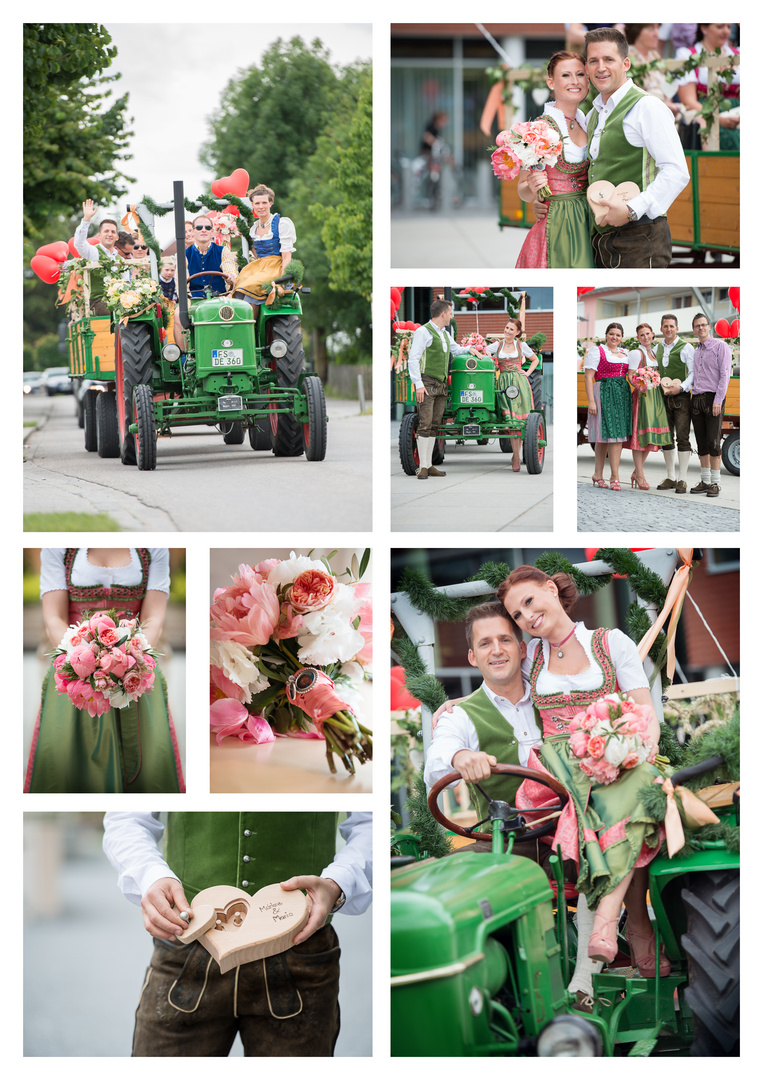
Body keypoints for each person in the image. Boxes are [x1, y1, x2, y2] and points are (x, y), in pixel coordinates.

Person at [426, 602, 598, 1009]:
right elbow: (438, 756)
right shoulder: (460, 715)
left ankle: (587, 982)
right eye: (485, 643)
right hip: (507, 839)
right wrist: (458, 758)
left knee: (601, 852)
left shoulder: (552, 691)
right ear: (473, 656)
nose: (496, 649)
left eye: (505, 639)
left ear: (522, 648)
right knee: (453, 878)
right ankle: (487, 993)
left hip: (572, 828)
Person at [499, 566, 668, 979]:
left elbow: (647, 719)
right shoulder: (532, 657)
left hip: (615, 753)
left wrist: (619, 747)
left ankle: (610, 919)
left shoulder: (610, 643)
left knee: (639, 783)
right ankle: (638, 925)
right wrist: (455, 704)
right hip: (558, 766)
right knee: (604, 796)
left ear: (551, 589)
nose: (526, 618)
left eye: (528, 602)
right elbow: (494, 683)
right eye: (517, 616)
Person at [102, 810, 372, 1056]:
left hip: (300, 955)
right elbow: (127, 816)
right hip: (188, 950)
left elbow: (371, 821)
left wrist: (337, 882)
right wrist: (151, 875)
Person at [24, 548, 184, 794]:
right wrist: (85, 663)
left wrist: (130, 658)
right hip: (76, 671)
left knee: (148, 763)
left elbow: (153, 618)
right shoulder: (59, 547)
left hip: (134, 669)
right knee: (69, 761)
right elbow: (54, 618)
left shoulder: (153, 548)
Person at [581, 27, 690, 268]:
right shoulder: (592, 115)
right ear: (586, 68)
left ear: (626, 63)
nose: (601, 67)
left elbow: (676, 171)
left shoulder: (647, 106)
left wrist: (631, 208)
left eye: (609, 59)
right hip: (600, 240)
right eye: (593, 61)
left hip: (641, 236)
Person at [515, 52, 594, 269]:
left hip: (590, 218)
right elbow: (523, 189)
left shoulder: (590, 121)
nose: (575, 81)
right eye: (566, 75)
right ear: (551, 82)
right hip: (558, 222)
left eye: (580, 74)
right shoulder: (538, 130)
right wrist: (533, 191)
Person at [406, 298, 478, 479]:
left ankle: (429, 465)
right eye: (451, 313)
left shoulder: (445, 333)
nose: (452, 317)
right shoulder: (423, 331)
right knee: (425, 424)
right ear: (443, 313)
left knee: (435, 425)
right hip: (427, 383)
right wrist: (419, 385)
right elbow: (413, 359)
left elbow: (456, 350)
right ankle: (422, 467)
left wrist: (471, 349)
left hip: (441, 385)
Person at [584, 322, 637, 490]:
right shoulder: (597, 351)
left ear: (622, 338)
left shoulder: (625, 353)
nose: (615, 337)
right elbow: (588, 377)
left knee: (617, 435)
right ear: (606, 335)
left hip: (621, 394)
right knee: (603, 436)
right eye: (611, 334)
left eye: (618, 335)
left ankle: (614, 475)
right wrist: (591, 401)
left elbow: (631, 375)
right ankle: (598, 474)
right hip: (603, 390)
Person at [485, 318, 539, 471]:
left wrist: (527, 373)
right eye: (506, 328)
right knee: (509, 420)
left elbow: (534, 360)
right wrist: (489, 356)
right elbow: (486, 350)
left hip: (518, 383)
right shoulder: (498, 344)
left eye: (511, 329)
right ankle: (516, 454)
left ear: (517, 333)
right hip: (503, 382)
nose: (507, 331)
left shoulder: (521, 345)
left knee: (518, 421)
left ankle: (516, 455)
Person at [688, 312, 733, 497]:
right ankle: (705, 481)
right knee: (701, 442)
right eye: (697, 326)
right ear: (694, 329)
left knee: (714, 443)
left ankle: (715, 483)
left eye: (703, 324)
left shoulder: (721, 347)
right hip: (696, 399)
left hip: (713, 399)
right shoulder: (696, 350)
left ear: (709, 326)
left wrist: (718, 400)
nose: (701, 328)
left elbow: (725, 376)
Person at [676, 23, 739, 151]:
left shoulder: (738, 54)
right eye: (720, 27)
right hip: (705, 114)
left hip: (737, 117)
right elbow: (688, 101)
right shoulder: (688, 55)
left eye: (728, 27)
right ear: (703, 28)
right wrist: (718, 118)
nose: (726, 31)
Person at [624, 322, 672, 489]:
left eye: (647, 334)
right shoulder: (636, 353)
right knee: (640, 436)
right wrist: (641, 384)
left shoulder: (654, 352)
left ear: (652, 335)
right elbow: (630, 376)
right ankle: (640, 475)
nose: (645, 337)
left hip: (656, 397)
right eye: (641, 335)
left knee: (650, 437)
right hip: (643, 396)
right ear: (638, 338)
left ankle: (637, 472)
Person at [232, 185, 296, 307]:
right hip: (260, 265)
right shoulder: (254, 228)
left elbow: (287, 257)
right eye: (257, 203)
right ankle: (246, 322)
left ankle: (252, 323)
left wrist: (282, 280)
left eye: (264, 202)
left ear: (270, 203)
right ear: (252, 205)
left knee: (251, 285)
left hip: (277, 265)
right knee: (239, 285)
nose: (260, 206)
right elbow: (257, 254)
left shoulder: (281, 224)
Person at [654, 313, 695, 493]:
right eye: (665, 326)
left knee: (683, 438)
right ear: (661, 328)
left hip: (681, 398)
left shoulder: (686, 347)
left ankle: (683, 479)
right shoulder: (657, 349)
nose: (668, 329)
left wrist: (682, 388)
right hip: (664, 397)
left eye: (671, 326)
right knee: (666, 437)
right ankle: (671, 477)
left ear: (677, 328)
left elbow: (694, 373)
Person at [72, 199, 129, 313]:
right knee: (112, 311)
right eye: (106, 231)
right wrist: (86, 219)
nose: (109, 234)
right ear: (99, 235)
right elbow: (79, 244)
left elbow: (126, 282)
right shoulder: (93, 252)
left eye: (113, 232)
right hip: (97, 302)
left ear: (117, 237)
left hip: (119, 302)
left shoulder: (121, 260)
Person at [624, 25, 680, 114]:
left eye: (658, 28)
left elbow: (667, 86)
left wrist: (668, 104)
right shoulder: (628, 57)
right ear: (637, 31)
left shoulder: (654, 55)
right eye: (651, 29)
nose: (657, 34)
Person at [186, 214, 238, 299]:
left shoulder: (223, 251)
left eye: (207, 228)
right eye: (199, 228)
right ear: (193, 231)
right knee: (178, 312)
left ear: (212, 231)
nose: (204, 230)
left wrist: (230, 277)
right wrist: (188, 300)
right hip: (194, 300)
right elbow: (180, 283)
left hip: (220, 299)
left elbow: (230, 270)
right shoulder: (184, 255)